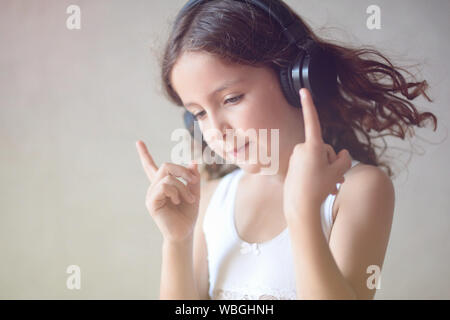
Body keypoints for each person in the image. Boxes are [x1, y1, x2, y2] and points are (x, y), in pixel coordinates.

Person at [136, 0, 437, 300]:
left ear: (296, 78)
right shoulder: (213, 198)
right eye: (199, 113)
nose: (215, 131)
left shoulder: (358, 189)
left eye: (231, 99)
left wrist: (302, 212)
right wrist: (177, 242)